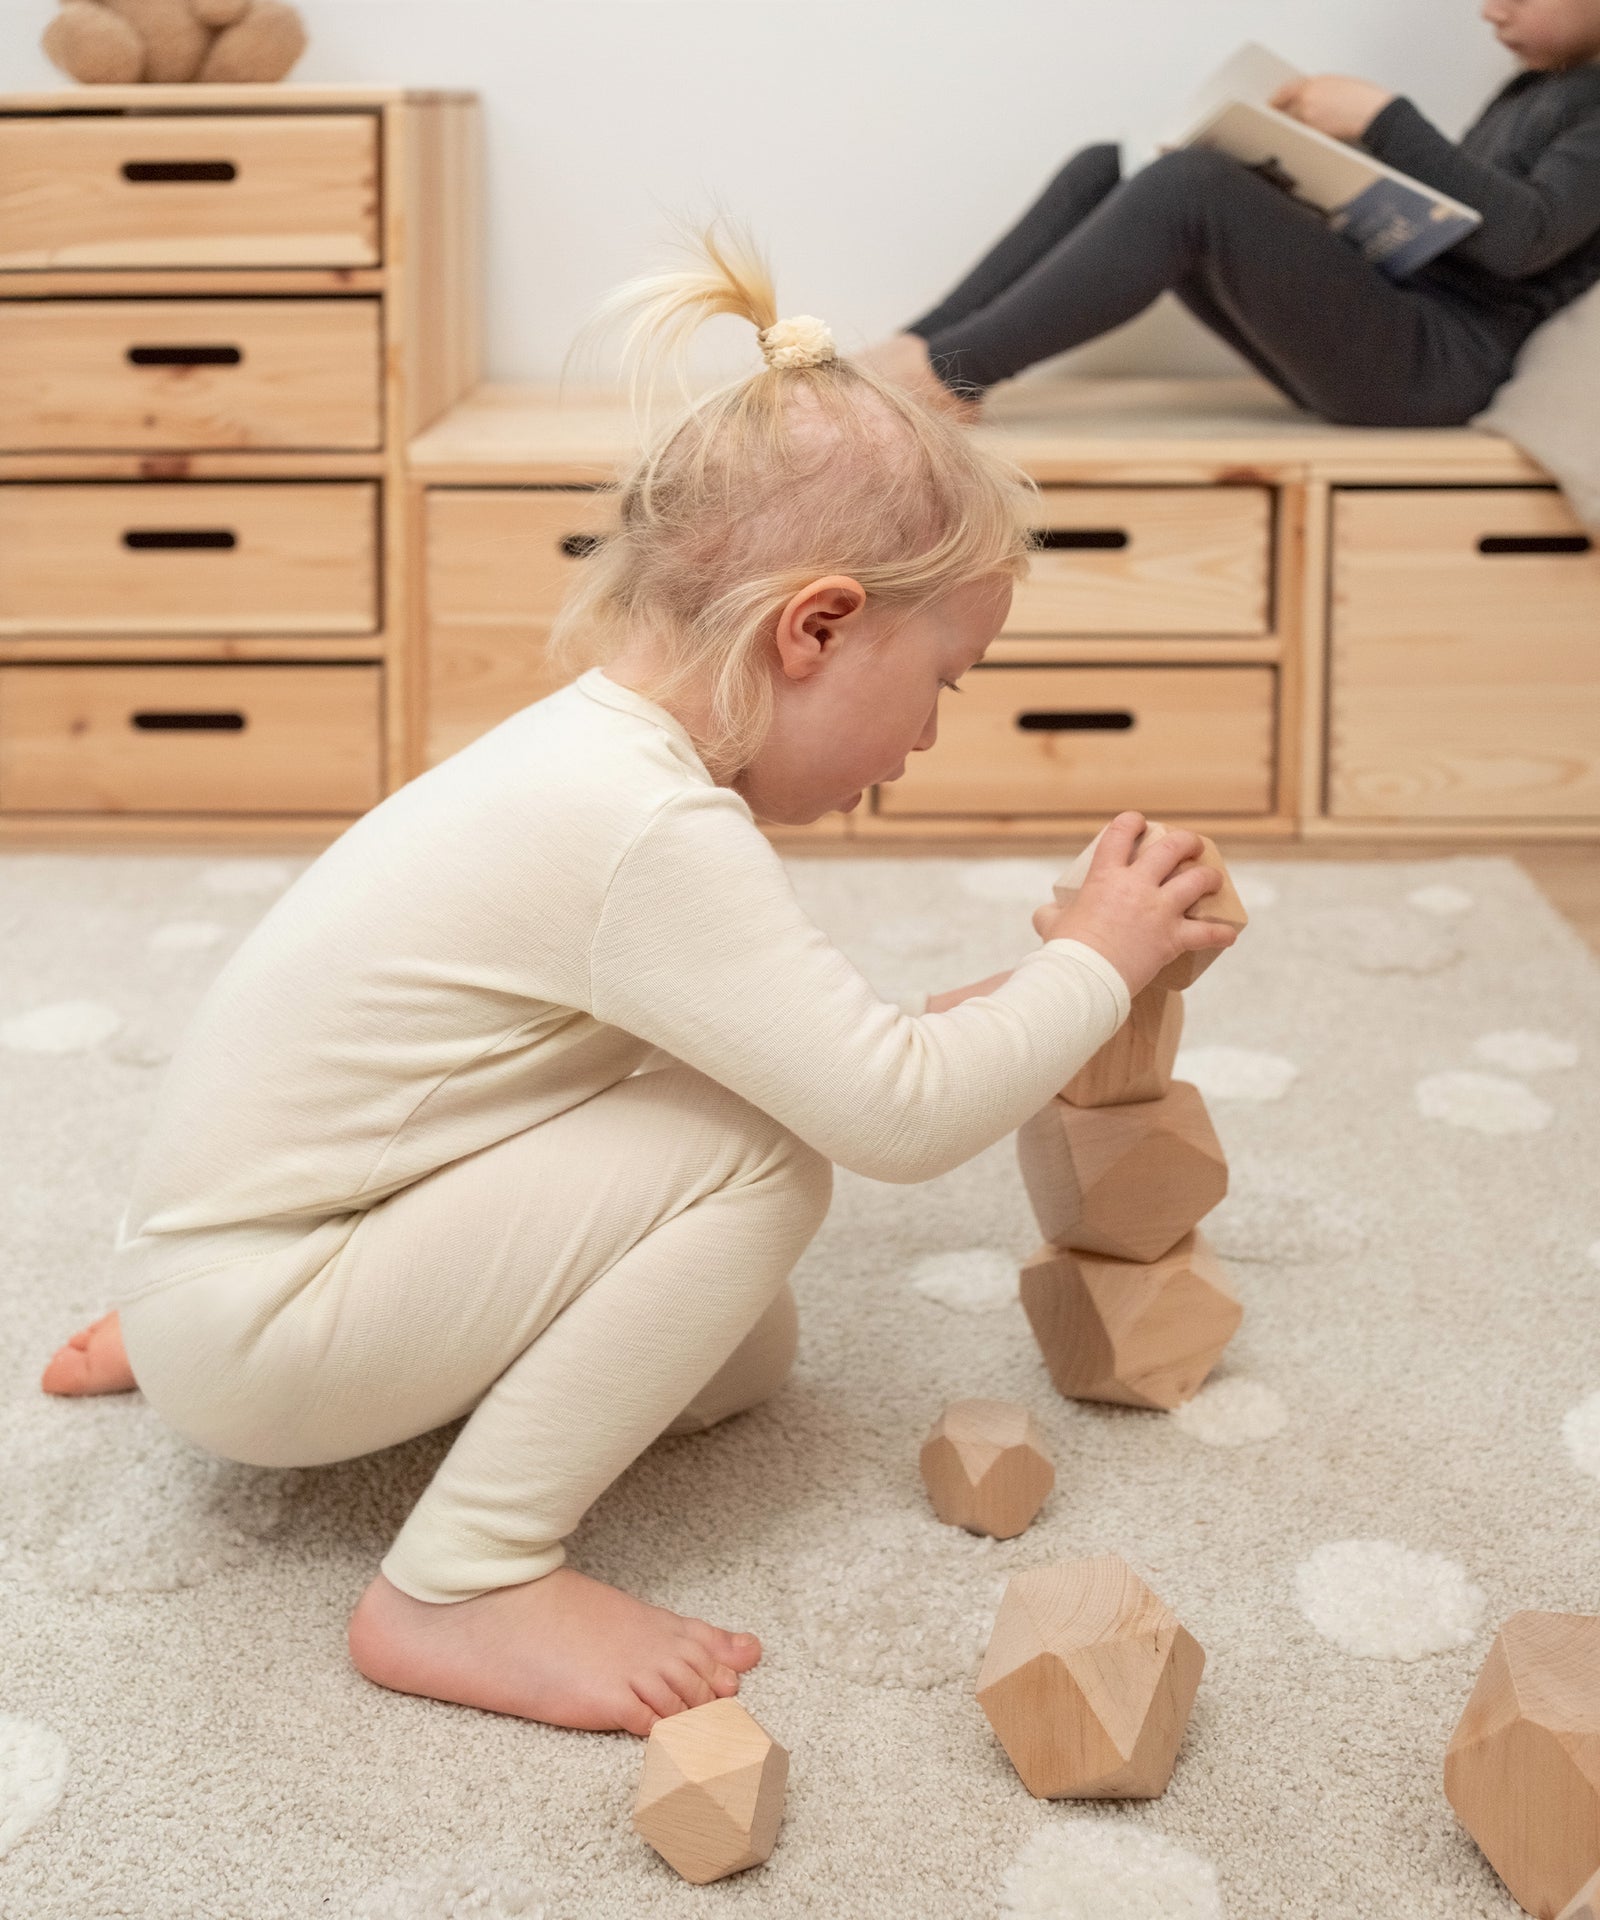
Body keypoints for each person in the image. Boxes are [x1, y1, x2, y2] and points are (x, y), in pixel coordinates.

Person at [38, 226, 1236, 1739]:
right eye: (943, 683)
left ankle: (203, 1335)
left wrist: (1026, 1000)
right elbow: (895, 1120)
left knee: (741, 1361)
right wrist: (1096, 957)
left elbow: (809, 1043)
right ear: (817, 629)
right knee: (759, 1157)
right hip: (262, 1317)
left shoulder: (598, 759)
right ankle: (461, 1580)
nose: (932, 734)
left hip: (239, 1257)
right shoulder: (649, 829)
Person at [858, 0, 1600, 428]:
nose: (1491, 8)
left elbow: (1521, 241)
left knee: (1190, 187)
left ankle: (945, 378)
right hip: (1401, 327)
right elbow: (1460, 226)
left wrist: (1383, 117)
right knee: (1115, 168)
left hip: (1436, 369)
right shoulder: (1536, 88)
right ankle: (923, 346)